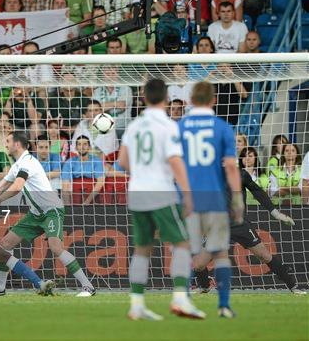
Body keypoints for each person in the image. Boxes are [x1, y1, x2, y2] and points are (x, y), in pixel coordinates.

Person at [118, 79, 204, 321]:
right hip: (160, 191)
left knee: (142, 249)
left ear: (143, 98)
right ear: (166, 98)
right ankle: (180, 299)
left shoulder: (134, 125)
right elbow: (176, 161)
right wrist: (188, 193)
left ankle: (136, 305)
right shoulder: (168, 126)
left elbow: (123, 163)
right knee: (183, 243)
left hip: (136, 192)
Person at [0, 132, 97, 297]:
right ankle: (0, 287)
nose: (5, 144)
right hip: (35, 214)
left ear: (17, 145)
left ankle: (88, 286)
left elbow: (17, 187)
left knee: (55, 247)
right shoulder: (17, 165)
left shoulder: (28, 162)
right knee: (5, 244)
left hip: (51, 210)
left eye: (8, 141)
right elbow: (1, 186)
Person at [179, 82, 244, 318]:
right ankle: (224, 306)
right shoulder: (223, 127)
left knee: (186, 252)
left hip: (189, 198)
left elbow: (173, 164)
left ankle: (183, 301)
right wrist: (237, 198)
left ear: (190, 101)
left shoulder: (181, 127)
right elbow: (231, 167)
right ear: (213, 100)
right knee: (220, 254)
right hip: (215, 198)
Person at [194, 160, 303, 294]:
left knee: (264, 255)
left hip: (240, 225)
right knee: (199, 264)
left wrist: (276, 214)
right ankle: (205, 287)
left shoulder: (241, 174)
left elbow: (257, 192)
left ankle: (293, 286)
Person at [61, 135, 105, 205]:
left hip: (92, 193)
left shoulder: (97, 161)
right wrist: (67, 206)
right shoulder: (69, 162)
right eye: (79, 144)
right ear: (76, 148)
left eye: (85, 144)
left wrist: (87, 201)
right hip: (75, 192)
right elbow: (65, 184)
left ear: (89, 147)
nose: (82, 147)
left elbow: (100, 182)